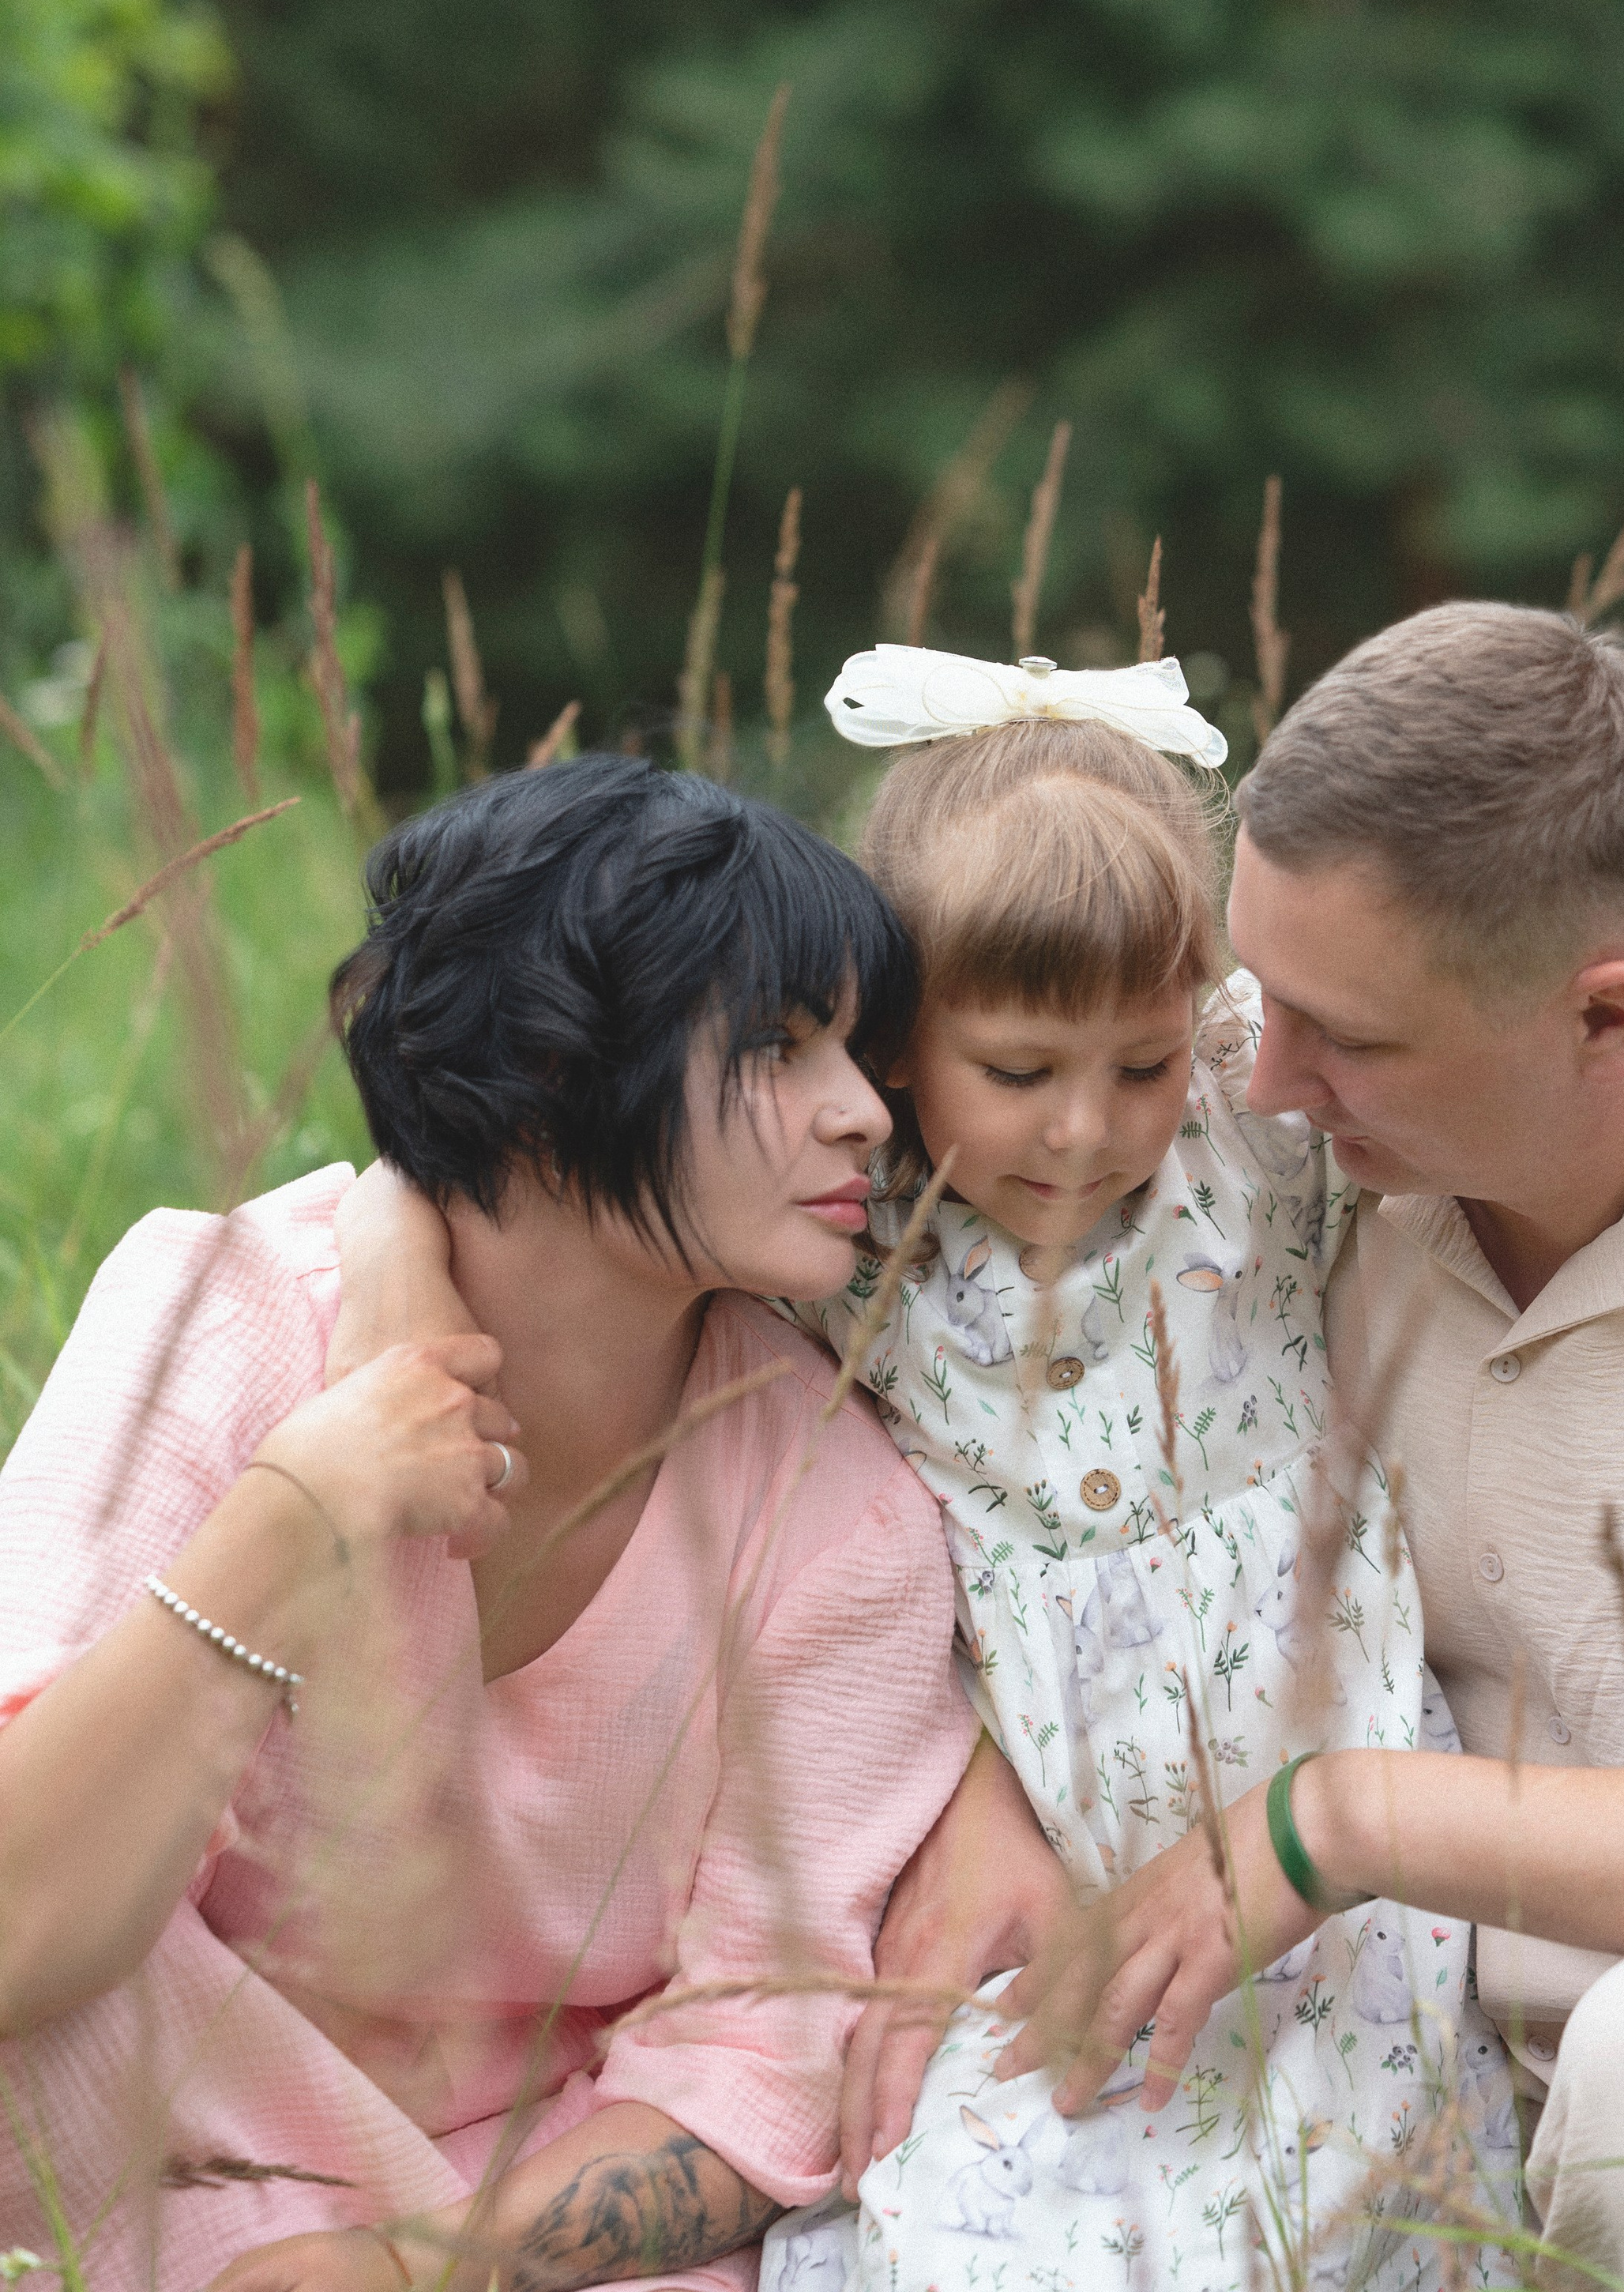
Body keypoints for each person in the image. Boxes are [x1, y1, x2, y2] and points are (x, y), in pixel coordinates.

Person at [336, 647, 1624, 2290]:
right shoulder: (855, 1218)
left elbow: (1503, 965)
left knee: (1346, 2226)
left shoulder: (1249, 1136)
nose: (1081, 1131)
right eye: (1020, 1073)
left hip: (1323, 1850)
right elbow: (536, 1154)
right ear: (894, 1049)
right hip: (1032, 1833)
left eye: (1138, 1061)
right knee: (980, 2217)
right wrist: (391, 1247)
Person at [987, 603, 1624, 2290]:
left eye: (1349, 1039)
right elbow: (819, 1086)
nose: (1259, 1081)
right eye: (1258, 997)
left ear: (1613, 1021)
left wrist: (1354, 1817)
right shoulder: (1328, 1142)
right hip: (1405, 2115)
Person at [0, 757, 976, 2292]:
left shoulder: (832, 1504)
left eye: (860, 1052)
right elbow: (19, 1929)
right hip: (146, 2138)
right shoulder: (227, 1313)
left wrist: (410, 2268)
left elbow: (757, 2057)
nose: (864, 1114)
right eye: (781, 1048)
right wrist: (302, 1506)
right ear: (544, 1074)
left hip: (521, 2213)